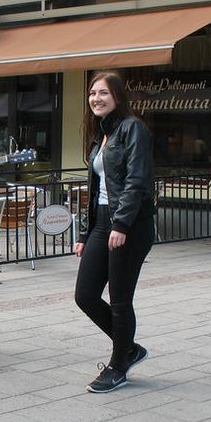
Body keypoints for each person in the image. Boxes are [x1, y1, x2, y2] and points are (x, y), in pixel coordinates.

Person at [73, 72, 155, 394]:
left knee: (120, 299)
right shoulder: (101, 135)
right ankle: (129, 348)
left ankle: (118, 365)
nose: (96, 98)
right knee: (85, 295)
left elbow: (137, 181)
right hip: (101, 222)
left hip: (130, 223)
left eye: (103, 93)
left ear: (117, 96)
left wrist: (121, 224)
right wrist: (84, 232)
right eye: (93, 93)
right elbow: (94, 189)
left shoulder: (133, 129)